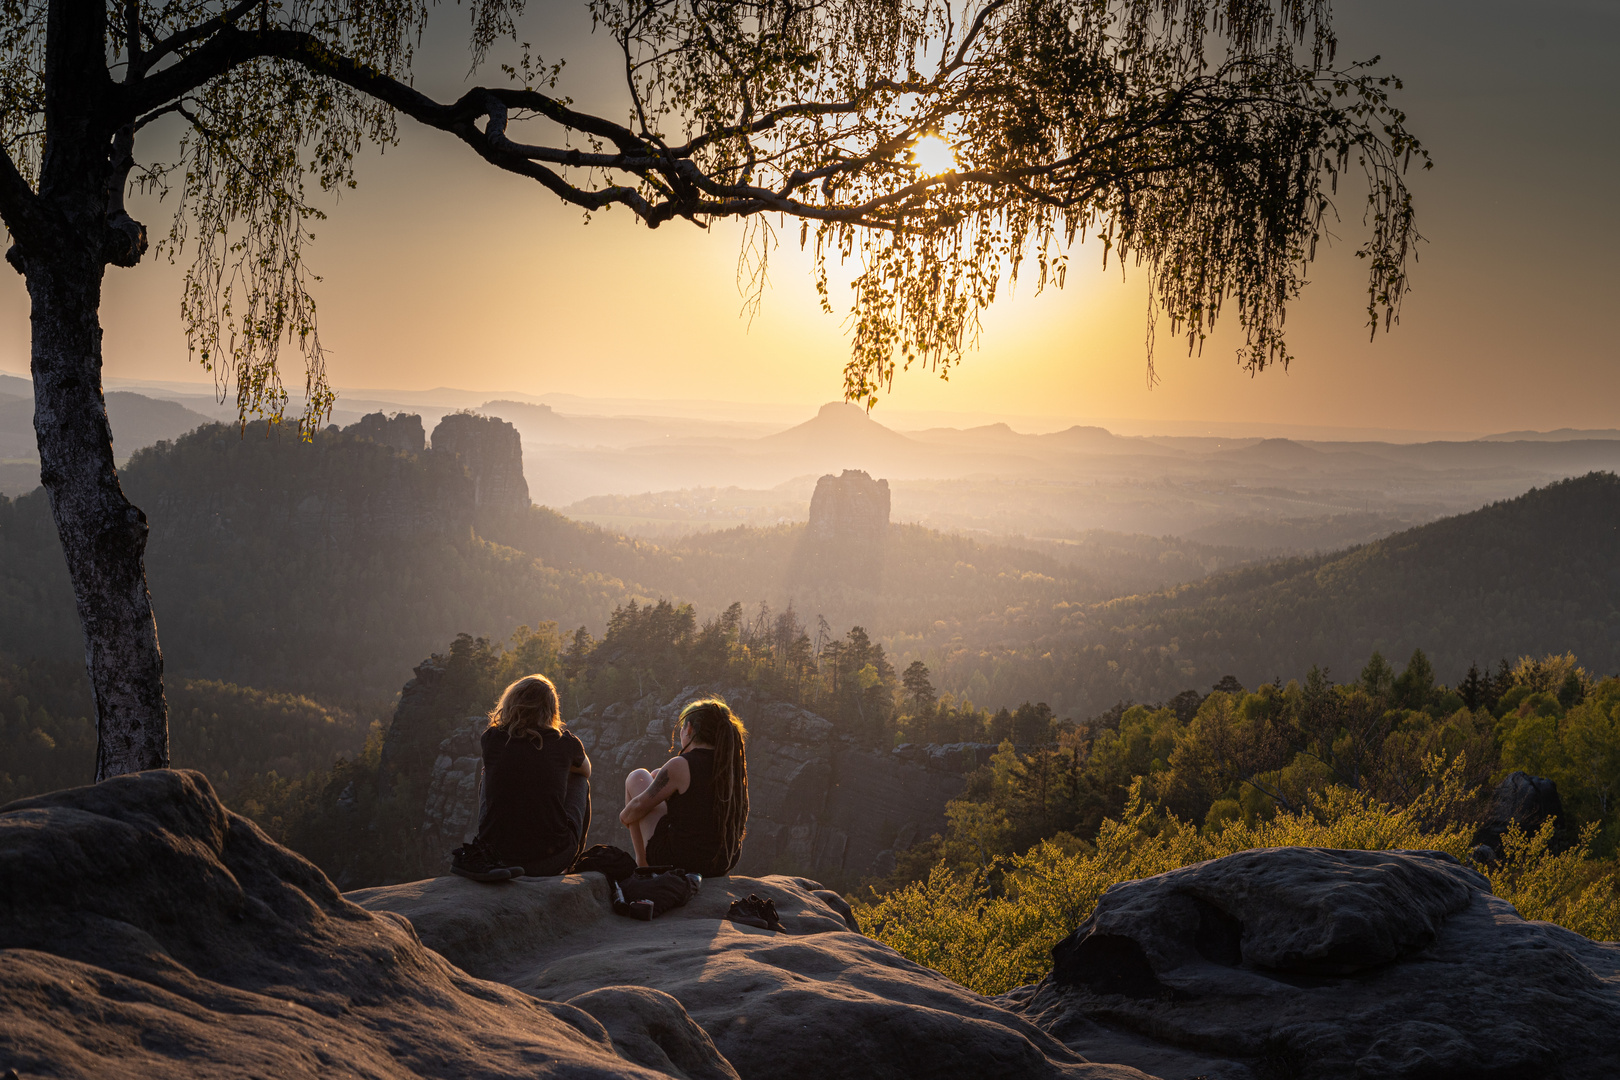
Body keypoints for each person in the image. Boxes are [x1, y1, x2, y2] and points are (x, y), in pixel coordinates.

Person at [464, 674, 591, 878]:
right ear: (551, 709)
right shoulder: (565, 743)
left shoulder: (492, 739)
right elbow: (586, 770)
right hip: (549, 861)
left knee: (488, 770)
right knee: (579, 780)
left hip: (498, 857)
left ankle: (489, 842)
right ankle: (569, 864)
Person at [620, 698, 749, 878]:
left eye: (681, 728)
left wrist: (625, 816)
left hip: (681, 861)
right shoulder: (730, 767)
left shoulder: (681, 765)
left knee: (638, 777)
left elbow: (637, 807)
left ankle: (642, 866)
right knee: (657, 775)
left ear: (689, 729)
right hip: (720, 862)